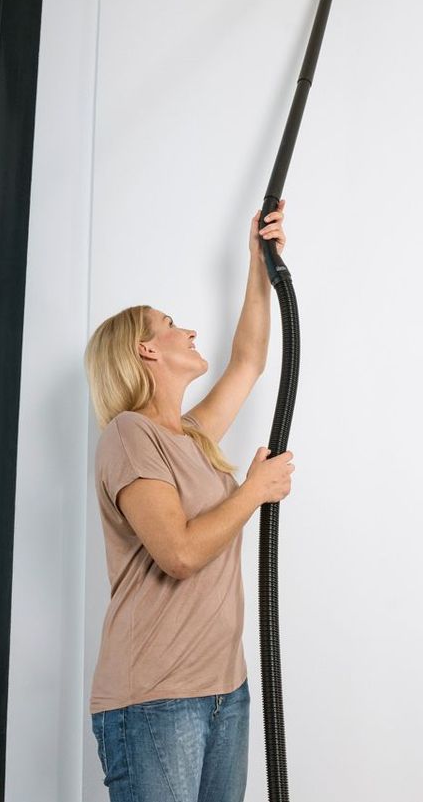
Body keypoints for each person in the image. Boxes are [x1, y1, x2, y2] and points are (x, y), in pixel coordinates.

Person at [83, 203, 296, 802]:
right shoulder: (129, 434)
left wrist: (261, 262)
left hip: (224, 690)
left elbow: (249, 360)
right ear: (146, 351)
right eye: (171, 323)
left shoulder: (194, 438)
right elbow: (177, 552)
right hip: (156, 698)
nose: (189, 331)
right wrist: (253, 491)